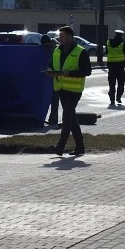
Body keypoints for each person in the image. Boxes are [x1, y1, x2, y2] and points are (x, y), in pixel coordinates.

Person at [47, 26, 92, 156]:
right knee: (71, 119)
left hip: (74, 90)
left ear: (70, 37)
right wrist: (50, 71)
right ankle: (80, 147)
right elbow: (51, 64)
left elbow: (87, 71)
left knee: (66, 117)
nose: (59, 38)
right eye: (59, 36)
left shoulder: (80, 51)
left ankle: (60, 147)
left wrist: (70, 73)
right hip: (61, 88)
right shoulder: (57, 50)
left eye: (62, 36)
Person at [105, 29, 125, 106]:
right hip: (120, 67)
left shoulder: (109, 42)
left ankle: (112, 99)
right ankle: (118, 97)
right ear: (121, 35)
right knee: (121, 83)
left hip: (111, 67)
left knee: (111, 84)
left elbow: (106, 52)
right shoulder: (123, 44)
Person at [41, 34, 60, 125]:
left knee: (54, 100)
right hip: (48, 77)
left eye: (45, 45)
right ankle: (50, 119)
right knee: (49, 99)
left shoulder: (57, 49)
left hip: (56, 77)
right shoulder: (47, 48)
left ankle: (53, 120)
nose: (45, 47)